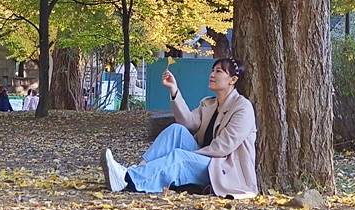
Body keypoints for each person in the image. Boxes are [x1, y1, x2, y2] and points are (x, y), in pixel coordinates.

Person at [101, 57, 257, 199]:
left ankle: (128, 179)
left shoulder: (243, 108)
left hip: (224, 170)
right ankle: (138, 169)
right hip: (205, 162)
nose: (212, 74)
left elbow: (222, 147)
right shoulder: (208, 103)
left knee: (179, 157)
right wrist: (174, 91)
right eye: (212, 70)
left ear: (233, 80)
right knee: (176, 130)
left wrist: (189, 155)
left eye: (219, 71)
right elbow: (188, 123)